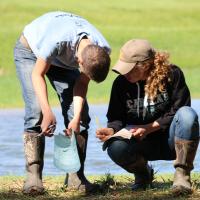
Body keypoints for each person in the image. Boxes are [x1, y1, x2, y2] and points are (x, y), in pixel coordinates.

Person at [14, 11, 111, 195]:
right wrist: (47, 111)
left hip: (61, 59)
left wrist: (74, 119)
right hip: (31, 50)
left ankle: (76, 177)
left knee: (80, 115)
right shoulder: (57, 42)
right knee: (36, 111)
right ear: (79, 61)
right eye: (81, 68)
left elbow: (81, 83)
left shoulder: (100, 51)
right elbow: (37, 74)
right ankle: (33, 176)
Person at [96, 39, 199, 195]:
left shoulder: (173, 75)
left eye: (129, 69)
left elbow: (179, 108)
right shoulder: (120, 84)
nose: (125, 73)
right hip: (140, 143)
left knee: (188, 115)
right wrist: (111, 130)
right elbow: (116, 118)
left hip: (172, 141)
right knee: (115, 147)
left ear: (144, 65)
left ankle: (182, 175)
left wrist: (149, 128)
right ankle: (143, 174)